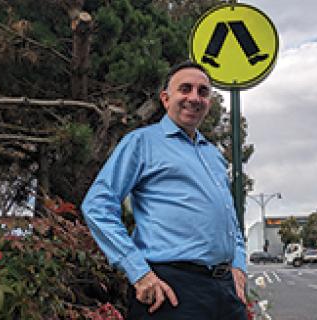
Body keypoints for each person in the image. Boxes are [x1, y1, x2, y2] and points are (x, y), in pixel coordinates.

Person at [81, 61, 247, 319]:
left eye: (203, 92)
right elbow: (97, 206)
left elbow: (230, 220)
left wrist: (238, 266)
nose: (194, 98)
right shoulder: (142, 142)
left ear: (209, 103)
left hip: (224, 293)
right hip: (170, 290)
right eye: (185, 89)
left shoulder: (213, 155)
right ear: (165, 98)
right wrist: (139, 273)